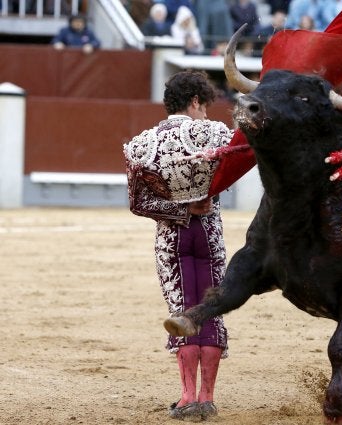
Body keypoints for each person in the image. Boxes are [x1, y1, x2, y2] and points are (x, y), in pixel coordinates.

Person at [123, 70, 233, 422]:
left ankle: (186, 398)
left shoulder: (141, 144)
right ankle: (207, 398)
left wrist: (180, 209)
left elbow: (138, 202)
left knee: (184, 311)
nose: (205, 113)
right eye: (204, 106)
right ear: (196, 102)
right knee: (209, 309)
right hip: (209, 230)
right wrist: (204, 198)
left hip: (172, 235)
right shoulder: (216, 132)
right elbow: (243, 160)